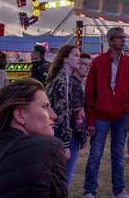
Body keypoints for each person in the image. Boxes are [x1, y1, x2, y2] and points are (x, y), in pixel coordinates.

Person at [83, 27, 129, 198]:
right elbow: (89, 93)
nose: (124, 40)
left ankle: (119, 190)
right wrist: (90, 121)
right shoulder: (98, 62)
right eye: (120, 38)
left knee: (118, 155)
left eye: (124, 37)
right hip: (100, 116)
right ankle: (89, 191)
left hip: (121, 116)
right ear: (111, 41)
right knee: (95, 155)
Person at [46, 44, 86, 188]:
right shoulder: (64, 79)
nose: (79, 59)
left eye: (79, 56)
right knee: (63, 176)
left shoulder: (61, 77)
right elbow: (62, 113)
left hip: (54, 130)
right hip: (57, 131)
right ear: (65, 59)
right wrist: (66, 144)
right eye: (75, 56)